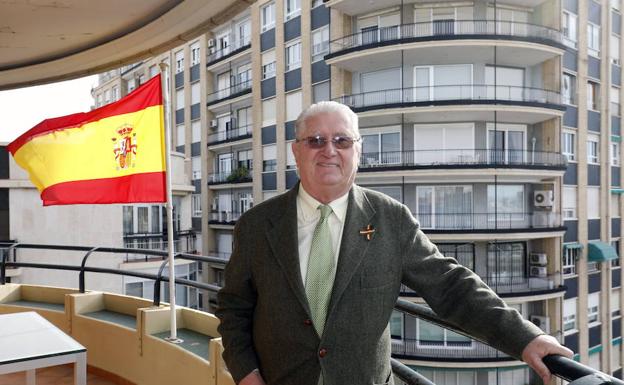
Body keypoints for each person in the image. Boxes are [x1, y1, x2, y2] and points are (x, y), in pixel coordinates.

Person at [216, 101, 573, 385]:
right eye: (316, 140)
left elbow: (451, 286)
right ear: (296, 150)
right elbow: (233, 310)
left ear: (358, 150)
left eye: (342, 140)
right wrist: (248, 377)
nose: (329, 150)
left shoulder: (390, 218)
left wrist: (525, 338)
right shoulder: (256, 225)